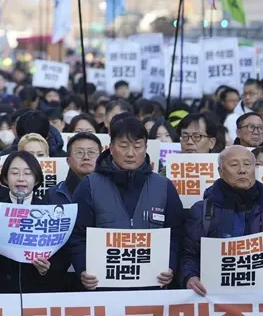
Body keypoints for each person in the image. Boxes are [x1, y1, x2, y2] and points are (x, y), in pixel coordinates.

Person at [69, 116, 183, 290]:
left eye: (137, 146)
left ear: (145, 148)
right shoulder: (89, 186)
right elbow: (76, 235)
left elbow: (176, 234)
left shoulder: (163, 186)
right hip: (103, 289)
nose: (131, 153)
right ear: (111, 147)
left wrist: (171, 266)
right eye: (123, 146)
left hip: (152, 288)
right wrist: (83, 268)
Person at [180, 146, 263, 296]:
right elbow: (189, 254)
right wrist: (190, 277)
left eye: (247, 164)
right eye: (234, 165)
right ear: (220, 171)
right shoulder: (202, 211)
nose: (242, 170)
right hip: (217, 298)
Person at [0, 151, 65, 293]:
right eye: (14, 173)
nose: (21, 178)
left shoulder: (50, 213)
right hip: (2, 291)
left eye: (28, 173)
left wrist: (44, 269)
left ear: (37, 179)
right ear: (4, 178)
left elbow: (60, 260)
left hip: (37, 291)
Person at [49, 132, 101, 205]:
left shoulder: (111, 190)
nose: (86, 157)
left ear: (101, 158)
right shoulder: (53, 194)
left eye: (91, 152)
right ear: (68, 161)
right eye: (79, 152)